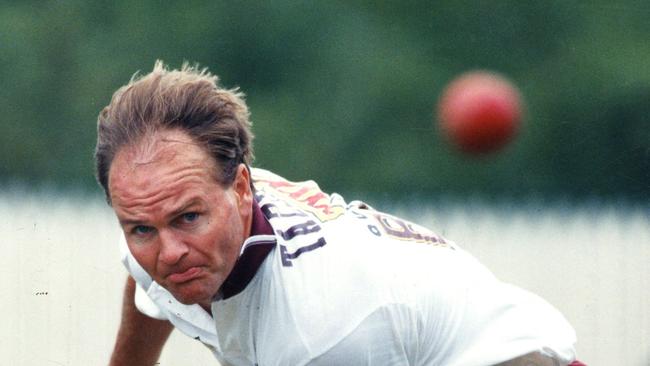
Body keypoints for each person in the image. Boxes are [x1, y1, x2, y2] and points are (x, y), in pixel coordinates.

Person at [95, 61, 583, 366]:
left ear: (241, 187)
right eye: (141, 229)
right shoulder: (158, 210)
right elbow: (145, 280)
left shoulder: (316, 329)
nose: (169, 253)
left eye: (188, 219)